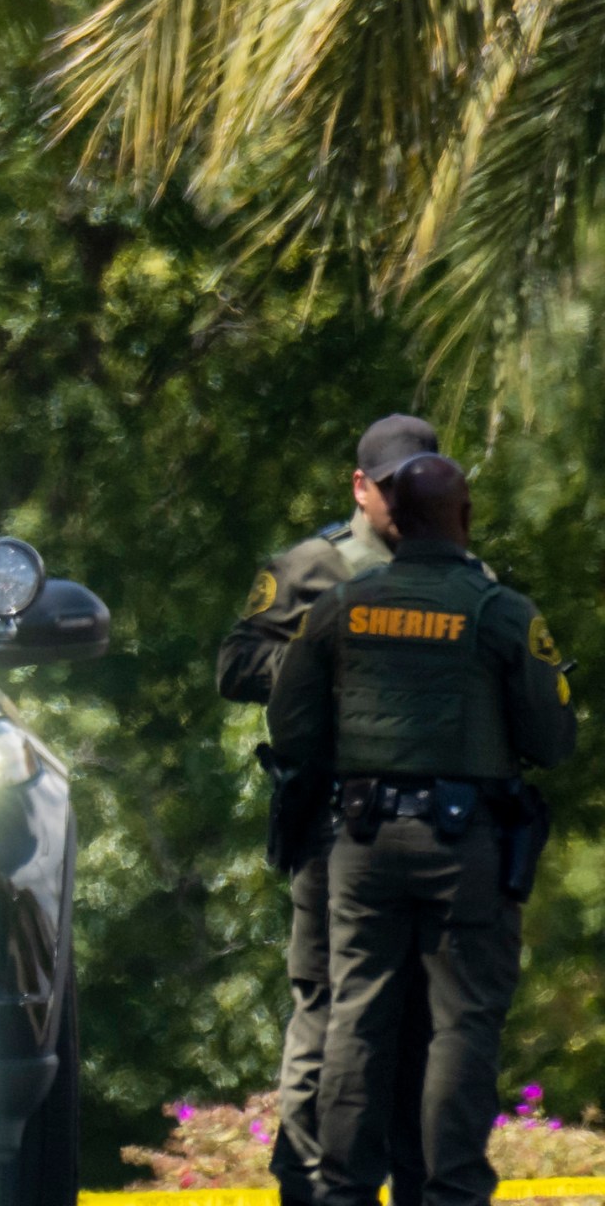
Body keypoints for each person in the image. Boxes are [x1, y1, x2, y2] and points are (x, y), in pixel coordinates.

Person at [268, 454, 578, 1206]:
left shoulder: (340, 606)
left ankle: (342, 1190)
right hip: (462, 846)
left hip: (361, 843)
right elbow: (553, 740)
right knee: (461, 1022)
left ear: (394, 520)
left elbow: (291, 727)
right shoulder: (501, 612)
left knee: (356, 1015)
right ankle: (451, 1193)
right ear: (465, 519)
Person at [219, 414, 438, 1206]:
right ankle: (309, 1179)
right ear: (360, 486)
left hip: (437, 830)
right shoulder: (314, 564)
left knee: (426, 1016)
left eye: (416, 483)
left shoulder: (452, 569)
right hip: (335, 824)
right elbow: (237, 662)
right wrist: (334, 650)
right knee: (330, 1005)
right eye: (388, 486)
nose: (400, 500)